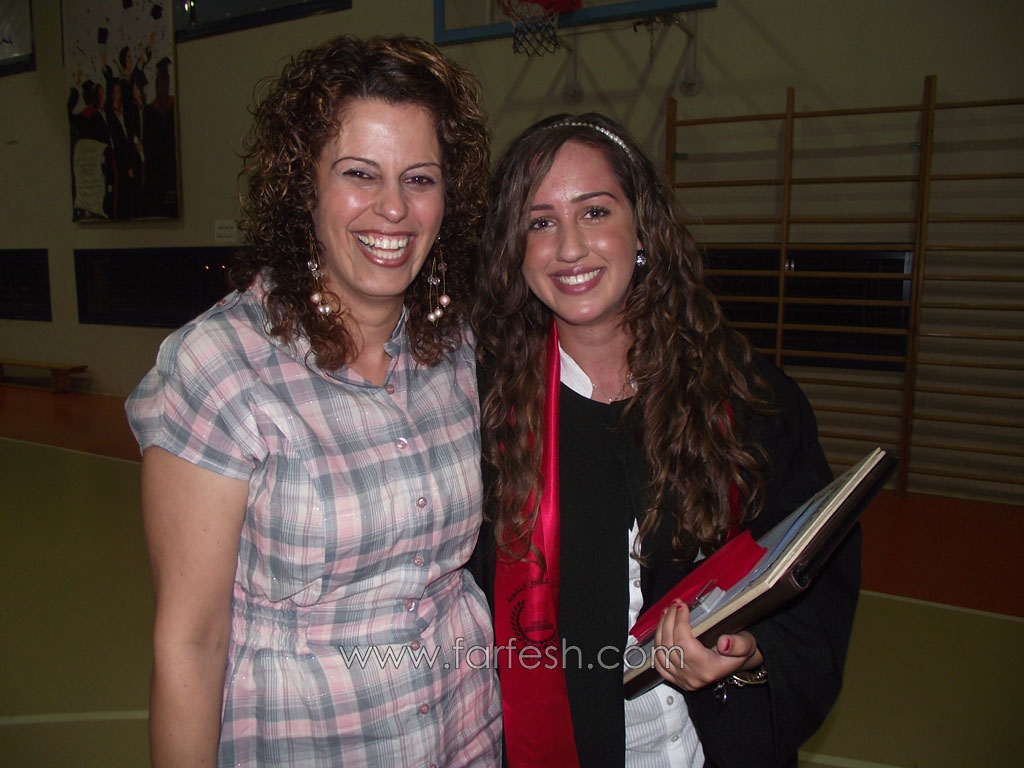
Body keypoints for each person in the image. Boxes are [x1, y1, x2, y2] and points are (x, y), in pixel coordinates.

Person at [127, 35, 500, 767]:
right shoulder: (222, 364)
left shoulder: (459, 347)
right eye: (359, 174)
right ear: (305, 185)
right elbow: (191, 642)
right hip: (308, 741)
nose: (394, 208)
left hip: (464, 728)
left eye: (420, 179)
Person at [471, 113, 860, 768]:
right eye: (539, 223)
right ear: (515, 249)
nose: (570, 247)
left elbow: (816, 563)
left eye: (595, 212)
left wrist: (755, 650)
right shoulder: (482, 415)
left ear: (642, 227)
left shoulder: (745, 398)